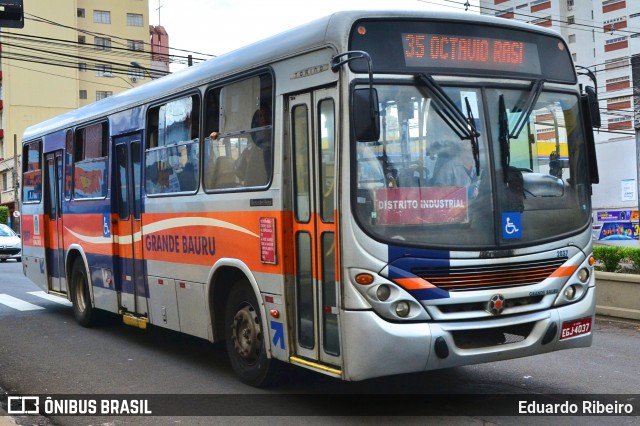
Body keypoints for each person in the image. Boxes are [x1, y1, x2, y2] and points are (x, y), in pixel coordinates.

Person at [235, 104, 272, 186]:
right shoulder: (251, 147)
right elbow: (239, 171)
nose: (264, 119)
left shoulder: (276, 142)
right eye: (260, 116)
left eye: (266, 115)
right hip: (255, 188)